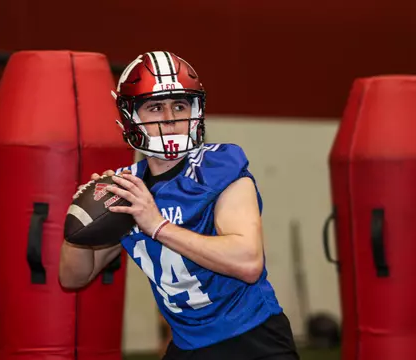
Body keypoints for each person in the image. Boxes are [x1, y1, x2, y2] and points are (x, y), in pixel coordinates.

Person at [59, 51, 299, 360]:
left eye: (179, 105)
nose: (170, 118)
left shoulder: (217, 166)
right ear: (131, 116)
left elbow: (248, 263)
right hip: (188, 346)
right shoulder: (127, 188)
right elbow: (73, 278)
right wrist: (79, 220)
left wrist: (157, 225)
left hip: (252, 339)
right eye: (156, 107)